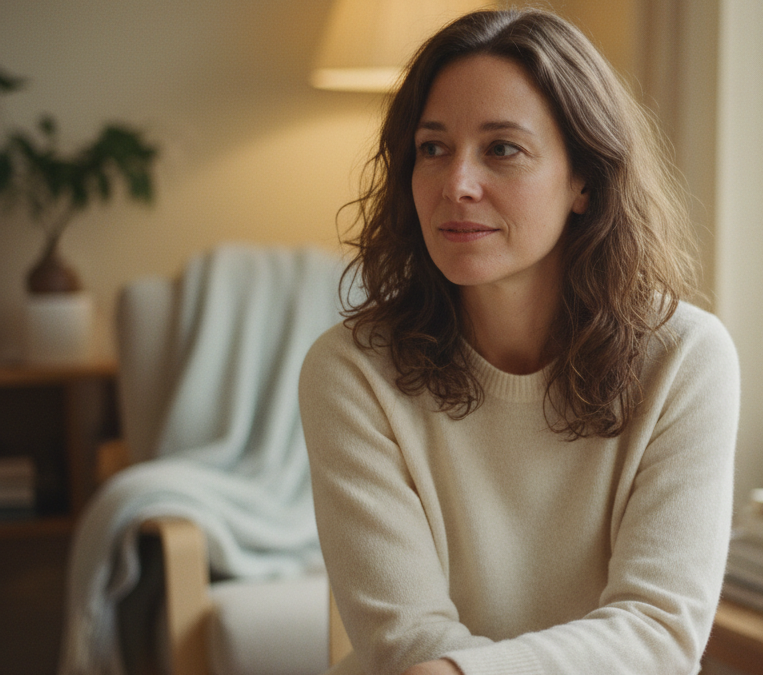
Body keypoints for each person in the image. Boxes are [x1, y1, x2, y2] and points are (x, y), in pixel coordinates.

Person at [299, 8, 740, 675]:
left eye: (502, 148)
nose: (457, 184)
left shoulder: (687, 358)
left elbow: (658, 630)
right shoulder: (349, 369)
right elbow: (405, 642)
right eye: (433, 148)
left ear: (584, 182)